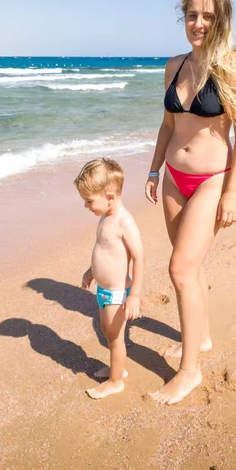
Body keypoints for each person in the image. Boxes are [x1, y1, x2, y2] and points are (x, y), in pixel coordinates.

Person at [145, 0, 236, 405]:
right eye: (192, 14)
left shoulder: (232, 66)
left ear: (220, 20)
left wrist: (233, 191)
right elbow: (169, 125)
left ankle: (189, 372)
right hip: (174, 176)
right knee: (191, 266)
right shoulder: (173, 66)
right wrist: (154, 170)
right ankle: (202, 337)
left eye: (208, 16)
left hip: (211, 179)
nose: (199, 23)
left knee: (179, 269)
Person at [75, 158, 144, 399]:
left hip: (117, 293)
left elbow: (139, 257)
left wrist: (134, 295)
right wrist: (91, 271)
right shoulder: (105, 218)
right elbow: (103, 250)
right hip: (104, 290)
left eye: (89, 201)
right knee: (106, 330)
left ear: (110, 197)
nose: (86, 206)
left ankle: (116, 381)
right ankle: (117, 369)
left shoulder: (124, 222)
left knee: (115, 338)